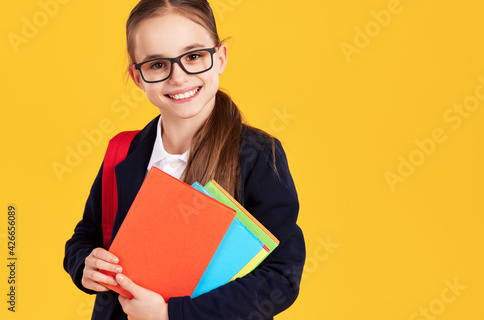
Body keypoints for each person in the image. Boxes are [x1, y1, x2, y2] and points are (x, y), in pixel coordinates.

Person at [63, 0, 305, 319]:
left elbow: (280, 278)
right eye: (157, 64)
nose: (178, 77)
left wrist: (171, 314)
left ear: (219, 58)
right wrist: (86, 264)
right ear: (137, 76)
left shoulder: (259, 155)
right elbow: (87, 234)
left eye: (193, 56)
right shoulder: (122, 151)